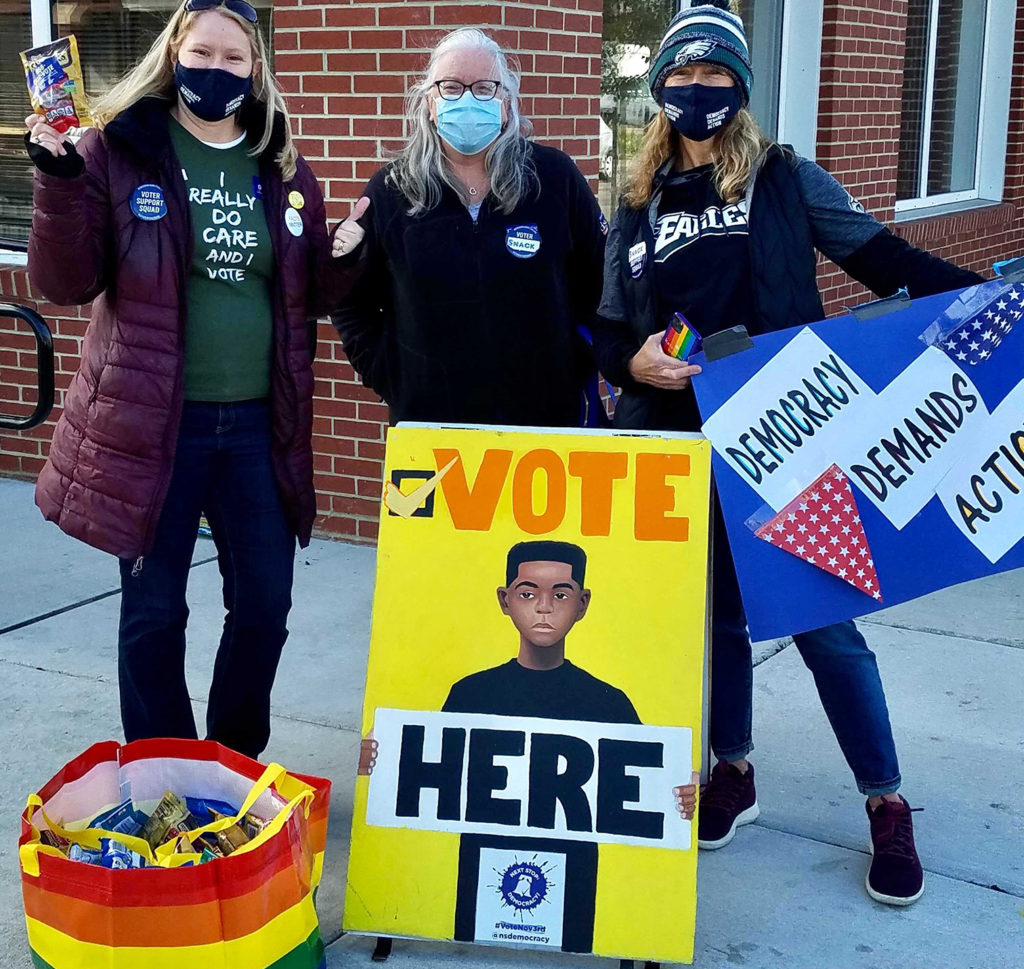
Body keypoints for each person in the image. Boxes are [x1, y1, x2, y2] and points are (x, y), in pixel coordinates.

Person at [592, 0, 986, 907]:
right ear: (659, 88)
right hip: (676, 438)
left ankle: (887, 800)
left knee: (822, 623)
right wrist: (633, 362)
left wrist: (988, 307)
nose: (701, 89)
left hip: (784, 435)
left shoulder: (782, 176)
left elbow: (885, 260)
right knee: (719, 622)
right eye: (684, 75)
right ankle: (735, 769)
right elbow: (612, 329)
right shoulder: (638, 200)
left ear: (742, 84)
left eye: (718, 73)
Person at [25, 0, 357, 758]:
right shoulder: (119, 150)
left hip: (253, 429)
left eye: (234, 58)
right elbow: (65, 282)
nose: (216, 69)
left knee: (266, 603)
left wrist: (346, 253)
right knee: (153, 611)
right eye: (202, 53)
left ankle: (232, 761)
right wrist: (57, 183)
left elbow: (306, 290)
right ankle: (164, 772)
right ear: (174, 53)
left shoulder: (281, 165)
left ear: (255, 68)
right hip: (153, 427)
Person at [362, 540, 697, 954]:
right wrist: (381, 762)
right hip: (482, 872)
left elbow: (645, 791)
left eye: (560, 593)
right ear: (505, 600)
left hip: (573, 879)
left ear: (583, 603)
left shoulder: (608, 703)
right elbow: (431, 776)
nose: (543, 606)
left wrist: (681, 792)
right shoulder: (470, 694)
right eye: (527, 592)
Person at [330, 27, 607, 428]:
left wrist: (576, 367)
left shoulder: (555, 179)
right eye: (452, 87)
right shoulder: (391, 191)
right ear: (429, 103)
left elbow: (600, 285)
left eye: (484, 88)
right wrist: (393, 377)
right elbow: (349, 300)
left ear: (507, 105)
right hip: (429, 432)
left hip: (544, 435)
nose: (467, 98)